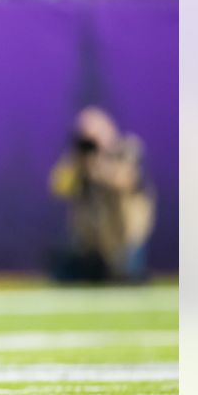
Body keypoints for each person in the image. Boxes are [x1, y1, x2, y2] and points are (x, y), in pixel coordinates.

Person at [48, 107, 155, 283]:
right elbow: (58, 188)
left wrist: (99, 164)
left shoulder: (127, 149)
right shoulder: (79, 162)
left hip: (124, 245)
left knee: (125, 278)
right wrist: (77, 160)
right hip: (90, 248)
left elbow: (126, 179)